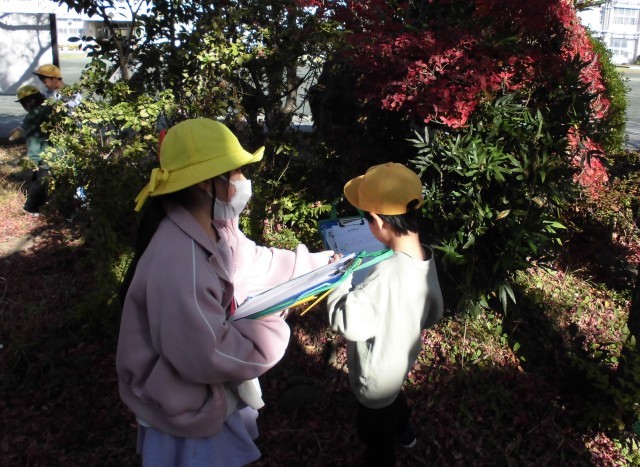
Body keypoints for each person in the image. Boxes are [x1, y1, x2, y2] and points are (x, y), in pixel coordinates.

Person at [117, 118, 334, 466]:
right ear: (206, 182)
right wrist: (271, 325)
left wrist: (323, 265)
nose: (242, 181)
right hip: (187, 416)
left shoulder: (216, 229)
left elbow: (255, 263)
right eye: (236, 171)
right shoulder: (179, 258)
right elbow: (206, 353)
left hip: (204, 401)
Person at [326, 162, 444, 466]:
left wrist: (338, 279)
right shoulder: (424, 256)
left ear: (378, 221)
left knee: (376, 439)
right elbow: (433, 313)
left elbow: (346, 321)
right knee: (394, 401)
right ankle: (405, 432)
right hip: (402, 358)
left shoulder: (384, 276)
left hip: (375, 377)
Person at [12, 85, 52, 214]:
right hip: (63, 154)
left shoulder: (33, 116)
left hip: (46, 157)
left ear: (30, 101)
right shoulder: (52, 108)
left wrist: (35, 161)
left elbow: (33, 141)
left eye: (23, 103)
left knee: (40, 183)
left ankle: (30, 208)